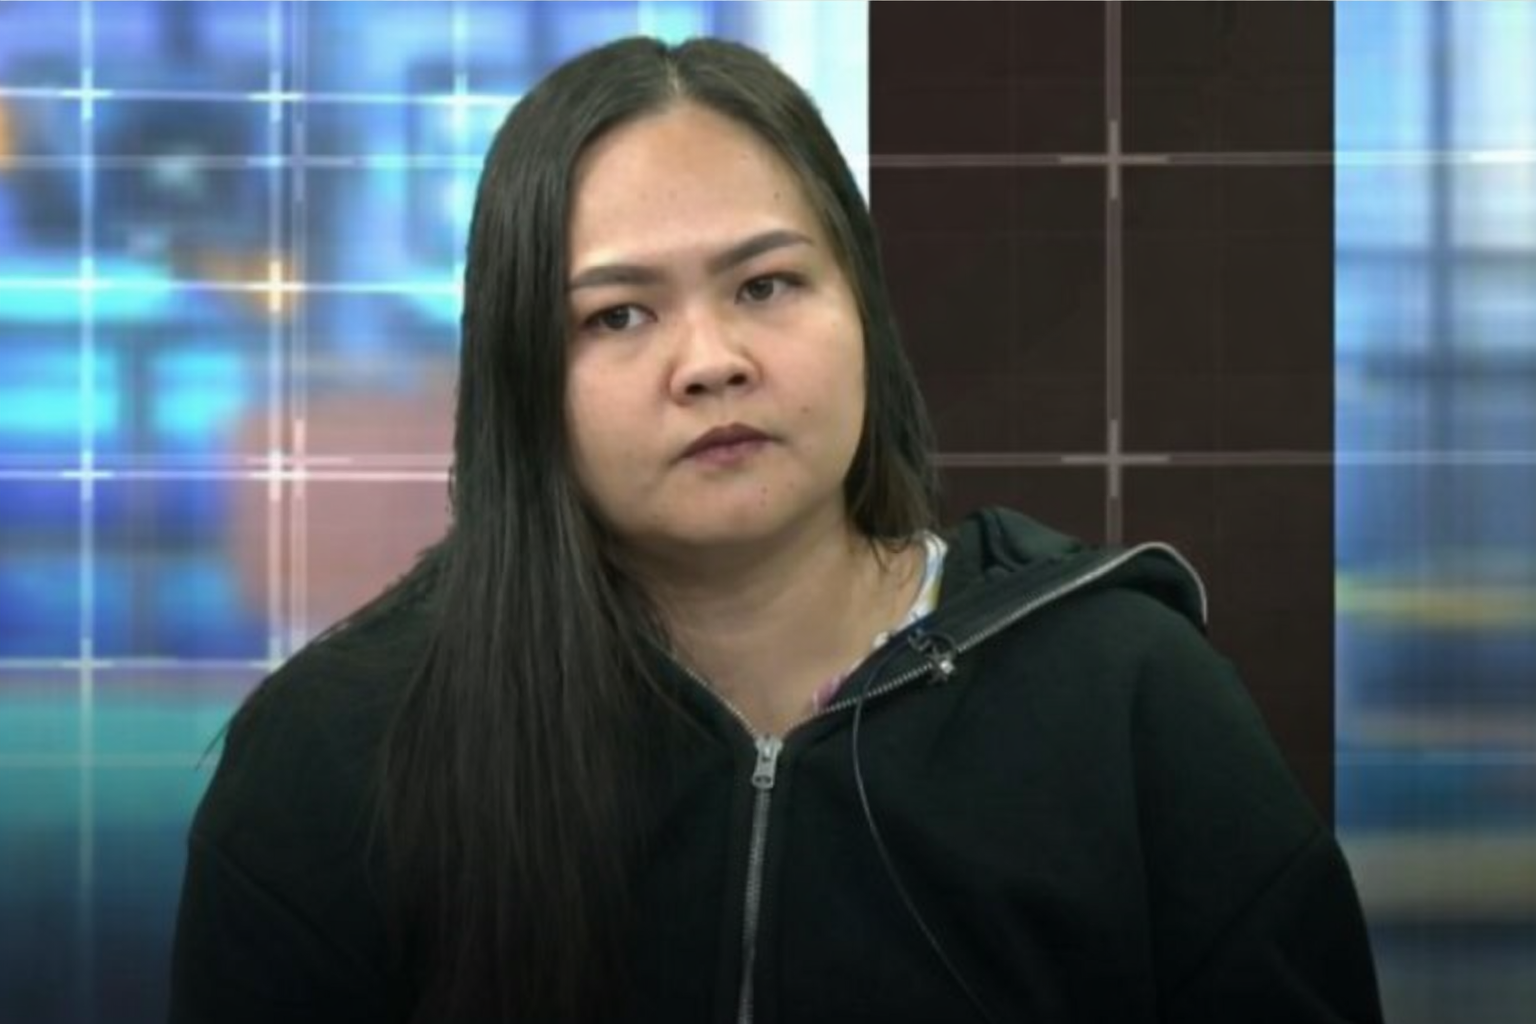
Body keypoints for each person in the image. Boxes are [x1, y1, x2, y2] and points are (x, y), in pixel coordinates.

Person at [169, 35, 1384, 1024]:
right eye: (618, 315)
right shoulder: (337, 754)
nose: (712, 360)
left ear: (863, 308)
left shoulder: (1131, 698)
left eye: (766, 285)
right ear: (519, 375)